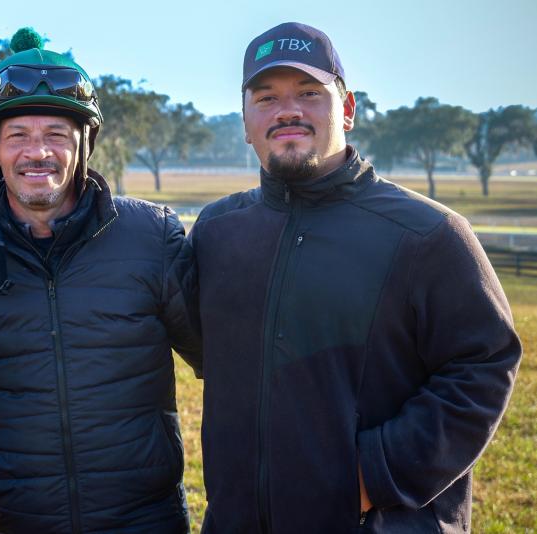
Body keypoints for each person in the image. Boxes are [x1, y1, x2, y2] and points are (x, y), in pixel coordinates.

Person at [191, 22, 521, 533]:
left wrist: (371, 477)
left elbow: (483, 365)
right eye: (266, 97)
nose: (288, 111)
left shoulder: (427, 233)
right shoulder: (216, 231)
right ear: (245, 119)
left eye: (308, 93)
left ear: (346, 109)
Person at [0, 28, 202, 533]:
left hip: (145, 520)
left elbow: (228, 358)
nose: (37, 152)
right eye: (18, 135)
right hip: (17, 520)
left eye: (56, 135)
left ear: (84, 145)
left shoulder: (151, 236)